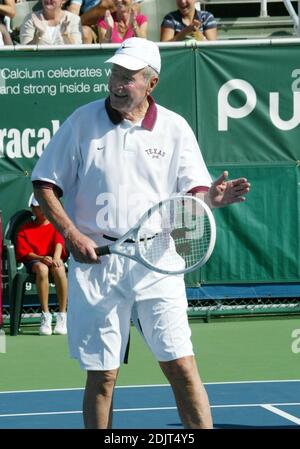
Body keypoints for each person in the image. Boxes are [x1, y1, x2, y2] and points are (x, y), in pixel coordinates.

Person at [31, 37, 250, 428]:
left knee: (181, 367)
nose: (117, 83)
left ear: (151, 84)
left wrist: (212, 199)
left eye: (128, 77)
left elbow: (192, 195)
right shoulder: (81, 122)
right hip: (98, 266)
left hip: (159, 261)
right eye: (114, 73)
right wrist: (72, 235)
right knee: (103, 377)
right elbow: (44, 183)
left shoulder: (174, 128)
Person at [16, 195, 68, 336]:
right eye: (39, 207)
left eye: (45, 207)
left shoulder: (55, 225)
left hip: (53, 259)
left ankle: (62, 315)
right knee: (42, 268)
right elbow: (26, 253)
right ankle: (45, 315)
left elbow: (59, 243)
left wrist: (56, 258)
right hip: (36, 262)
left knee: (59, 267)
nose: (43, 210)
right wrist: (41, 258)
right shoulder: (24, 229)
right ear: (33, 209)